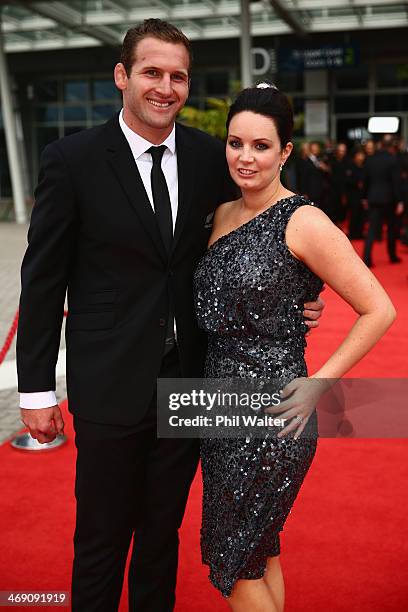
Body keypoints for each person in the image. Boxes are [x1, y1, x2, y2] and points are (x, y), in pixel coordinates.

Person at [16, 20, 325, 612]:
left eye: (177, 76)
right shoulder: (72, 160)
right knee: (102, 540)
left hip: (189, 383)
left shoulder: (213, 157)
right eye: (152, 72)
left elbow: (270, 220)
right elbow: (43, 277)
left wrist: (301, 292)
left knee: (162, 537)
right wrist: (35, 387)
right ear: (122, 77)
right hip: (107, 383)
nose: (165, 87)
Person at [193, 84, 396, 611]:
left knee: (231, 563)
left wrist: (318, 384)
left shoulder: (302, 221)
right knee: (257, 552)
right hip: (218, 410)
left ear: (285, 151)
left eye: (261, 146)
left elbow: (380, 309)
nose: (245, 156)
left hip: (274, 414)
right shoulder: (217, 215)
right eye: (236, 143)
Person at [362, 136, 404, 267]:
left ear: (380, 145)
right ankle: (392, 256)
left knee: (372, 230)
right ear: (392, 146)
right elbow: (396, 183)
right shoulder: (393, 160)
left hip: (373, 198)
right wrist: (400, 201)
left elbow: (365, 181)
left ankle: (367, 259)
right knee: (391, 229)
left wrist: (364, 197)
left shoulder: (370, 160)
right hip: (389, 199)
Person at [346, 148, 366, 239]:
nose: (361, 157)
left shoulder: (365, 166)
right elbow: (347, 180)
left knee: (362, 214)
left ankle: (360, 232)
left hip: (363, 194)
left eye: (362, 155)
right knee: (354, 214)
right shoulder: (351, 166)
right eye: (359, 155)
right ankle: (352, 233)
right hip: (353, 194)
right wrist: (357, 183)